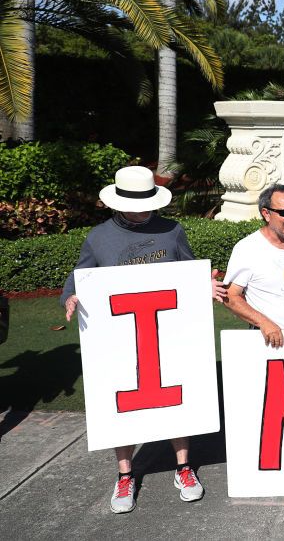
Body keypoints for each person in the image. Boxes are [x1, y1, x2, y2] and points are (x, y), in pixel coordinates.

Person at [61, 166, 227, 514]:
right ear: (117, 203)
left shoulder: (172, 230)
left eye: (148, 203)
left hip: (168, 332)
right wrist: (71, 298)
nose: (143, 209)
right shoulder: (98, 237)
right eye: (136, 203)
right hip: (118, 336)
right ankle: (125, 474)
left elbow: (189, 270)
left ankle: (184, 468)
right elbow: (79, 278)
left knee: (176, 395)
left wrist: (205, 285)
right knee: (119, 400)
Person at [223, 184, 284, 349]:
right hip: (269, 343)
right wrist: (264, 323)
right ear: (266, 214)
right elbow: (230, 297)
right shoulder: (247, 249)